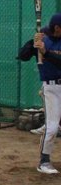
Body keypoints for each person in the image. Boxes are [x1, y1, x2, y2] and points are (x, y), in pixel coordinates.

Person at [33, 14, 61, 174]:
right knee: (52, 127)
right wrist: (33, 43)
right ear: (56, 27)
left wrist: (46, 51)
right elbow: (22, 55)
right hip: (51, 89)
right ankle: (44, 162)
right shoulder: (44, 37)